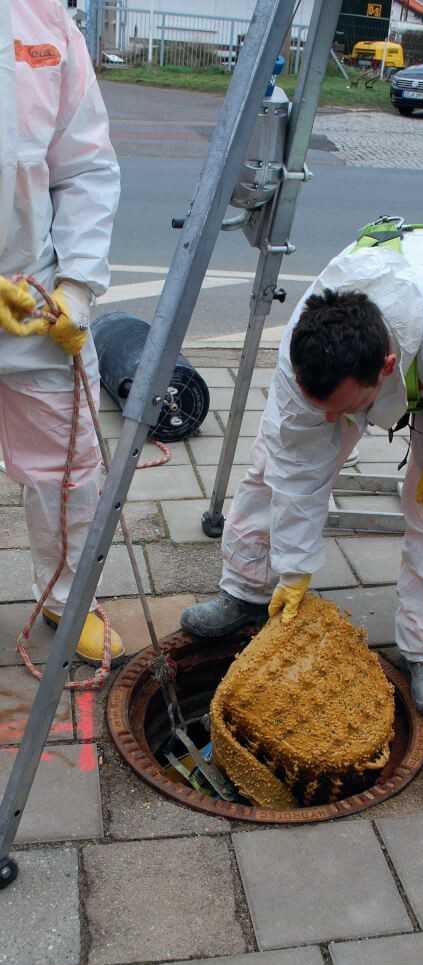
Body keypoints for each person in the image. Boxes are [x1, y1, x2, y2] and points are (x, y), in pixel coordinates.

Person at [181, 219, 423, 719]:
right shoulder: (304, 355)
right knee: (272, 470)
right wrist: (294, 568)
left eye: (345, 411)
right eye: (324, 408)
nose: (335, 424)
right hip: (383, 345)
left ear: (387, 366)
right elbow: (297, 469)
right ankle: (247, 586)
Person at [0, 0, 123, 663]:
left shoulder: (44, 23)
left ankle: (66, 598)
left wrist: (76, 284)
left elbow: (82, 166)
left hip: (34, 291)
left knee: (69, 464)